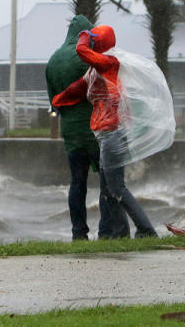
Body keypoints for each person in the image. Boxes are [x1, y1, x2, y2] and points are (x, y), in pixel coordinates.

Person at [53, 24, 158, 238]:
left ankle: (146, 230)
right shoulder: (95, 71)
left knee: (116, 188)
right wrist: (58, 101)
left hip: (113, 134)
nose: (89, 41)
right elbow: (77, 90)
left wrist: (83, 35)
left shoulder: (109, 63)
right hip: (105, 136)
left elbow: (82, 52)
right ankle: (117, 233)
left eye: (93, 39)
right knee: (108, 190)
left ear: (98, 42)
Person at [45, 15, 129, 240]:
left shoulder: (53, 60)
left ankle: (78, 233)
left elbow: (54, 100)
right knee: (107, 184)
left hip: (71, 132)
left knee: (77, 182)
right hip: (97, 130)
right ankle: (106, 232)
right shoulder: (90, 58)